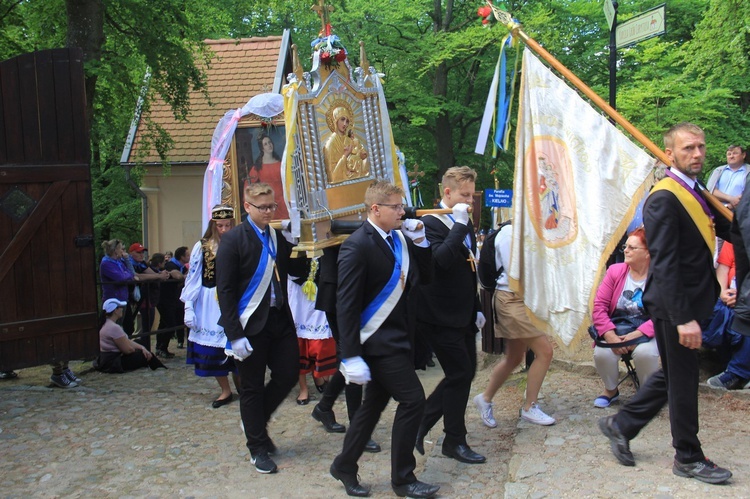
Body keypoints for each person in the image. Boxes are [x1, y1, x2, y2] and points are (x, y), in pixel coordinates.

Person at [598, 122, 733, 484]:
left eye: (701, 147)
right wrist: (684, 318)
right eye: (688, 148)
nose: (698, 153)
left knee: (674, 374)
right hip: (677, 307)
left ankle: (621, 424)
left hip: (693, 303)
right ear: (669, 154)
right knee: (684, 380)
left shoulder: (695, 189)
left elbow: (724, 229)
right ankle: (687, 456)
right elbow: (666, 261)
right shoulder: (663, 197)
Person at [330, 180, 438, 499]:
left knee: (372, 408)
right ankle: (403, 480)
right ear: (376, 209)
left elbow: (426, 279)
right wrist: (349, 355)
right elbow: (345, 305)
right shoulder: (357, 245)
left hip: (400, 338)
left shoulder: (400, 240)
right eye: (396, 207)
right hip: (376, 343)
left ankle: (345, 465)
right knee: (413, 400)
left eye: (401, 206)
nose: (402, 212)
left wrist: (421, 243)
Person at [216, 182, 303, 474]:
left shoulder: (277, 236)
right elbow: (225, 290)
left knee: (289, 373)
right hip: (250, 323)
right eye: (263, 207)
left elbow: (297, 273)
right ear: (247, 207)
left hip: (279, 318)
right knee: (251, 386)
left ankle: (255, 420)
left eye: (272, 206)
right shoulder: (233, 240)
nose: (269, 212)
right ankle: (257, 446)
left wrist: (300, 243)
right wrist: (234, 334)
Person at [413, 166, 486, 464]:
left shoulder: (462, 220)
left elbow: (468, 265)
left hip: (463, 311)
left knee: (466, 373)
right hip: (438, 315)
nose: (469, 201)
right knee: (459, 373)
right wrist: (457, 225)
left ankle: (424, 423)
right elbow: (440, 261)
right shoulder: (429, 222)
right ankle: (453, 439)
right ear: (447, 192)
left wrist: (477, 307)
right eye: (464, 195)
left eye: (471, 195)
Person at [472, 220, 556, 428]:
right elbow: (516, 274)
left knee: (514, 357)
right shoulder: (510, 234)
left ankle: (485, 398)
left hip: (521, 299)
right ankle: (530, 407)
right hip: (512, 299)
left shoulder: (528, 230)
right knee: (545, 352)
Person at [310, 245, 382, 454]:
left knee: (349, 357)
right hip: (336, 289)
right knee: (351, 355)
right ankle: (358, 430)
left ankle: (324, 407)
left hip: (357, 288)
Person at [591, 228, 660, 407]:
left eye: (632, 247)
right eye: (625, 246)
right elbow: (599, 307)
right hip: (619, 327)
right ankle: (611, 390)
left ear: (648, 253)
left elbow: (663, 313)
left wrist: (636, 335)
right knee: (602, 352)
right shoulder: (615, 271)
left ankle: (647, 395)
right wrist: (610, 334)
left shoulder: (660, 276)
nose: (626, 251)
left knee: (646, 353)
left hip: (649, 330)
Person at [181, 205, 240, 408]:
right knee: (214, 349)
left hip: (234, 299)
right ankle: (225, 389)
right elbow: (193, 277)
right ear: (214, 225)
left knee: (238, 345)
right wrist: (189, 306)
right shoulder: (203, 246)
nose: (224, 230)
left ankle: (243, 386)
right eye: (220, 226)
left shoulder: (240, 243)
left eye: (228, 225)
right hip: (209, 301)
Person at [288, 256, 337, 405]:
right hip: (298, 298)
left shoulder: (326, 241)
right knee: (298, 345)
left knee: (322, 344)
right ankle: (303, 389)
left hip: (321, 296)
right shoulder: (292, 242)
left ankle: (320, 376)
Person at [701, 241, 750, 389]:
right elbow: (723, 269)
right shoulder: (735, 238)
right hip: (729, 297)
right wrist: (722, 292)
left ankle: (736, 373)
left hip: (745, 300)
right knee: (712, 312)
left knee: (744, 317)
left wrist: (744, 297)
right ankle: (731, 367)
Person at [95, 298, 166, 373]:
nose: (122, 309)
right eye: (120, 307)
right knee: (143, 355)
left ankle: (158, 366)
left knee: (141, 343)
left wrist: (142, 348)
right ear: (115, 310)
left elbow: (126, 341)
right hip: (113, 363)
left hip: (107, 360)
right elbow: (128, 350)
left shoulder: (105, 323)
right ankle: (160, 368)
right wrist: (140, 350)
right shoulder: (114, 328)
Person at [155, 246, 189, 357]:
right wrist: (185, 276)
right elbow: (178, 276)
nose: (189, 257)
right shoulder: (171, 265)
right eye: (187, 255)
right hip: (165, 299)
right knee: (170, 324)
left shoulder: (180, 266)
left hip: (171, 300)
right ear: (182, 257)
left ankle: (160, 347)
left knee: (164, 323)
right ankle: (162, 347)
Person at [323, 105, 369, 184]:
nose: (345, 124)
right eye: (342, 119)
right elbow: (333, 177)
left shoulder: (349, 140)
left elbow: (359, 152)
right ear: (335, 120)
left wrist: (361, 156)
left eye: (347, 121)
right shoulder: (331, 143)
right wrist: (345, 155)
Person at [248, 133, 288, 219]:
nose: (269, 145)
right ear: (262, 148)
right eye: (265, 144)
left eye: (270, 142)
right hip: (267, 203)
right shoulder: (258, 166)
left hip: (282, 201)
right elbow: (249, 185)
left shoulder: (281, 164)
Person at [706, 145, 748, 210]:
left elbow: (747, 194)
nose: (731, 156)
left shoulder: (748, 172)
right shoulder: (718, 171)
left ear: (743, 155)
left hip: (740, 213)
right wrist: (731, 199)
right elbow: (710, 191)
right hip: (717, 210)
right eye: (729, 154)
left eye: (735, 153)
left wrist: (731, 205)